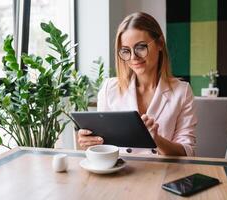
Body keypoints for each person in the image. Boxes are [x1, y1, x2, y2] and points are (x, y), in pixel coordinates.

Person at [78, 12, 197, 156]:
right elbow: (104, 145)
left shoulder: (182, 91)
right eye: (126, 50)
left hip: (163, 174)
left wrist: (157, 140)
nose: (133, 57)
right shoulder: (110, 89)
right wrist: (90, 142)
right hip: (121, 173)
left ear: (159, 43)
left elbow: (187, 152)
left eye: (140, 47)